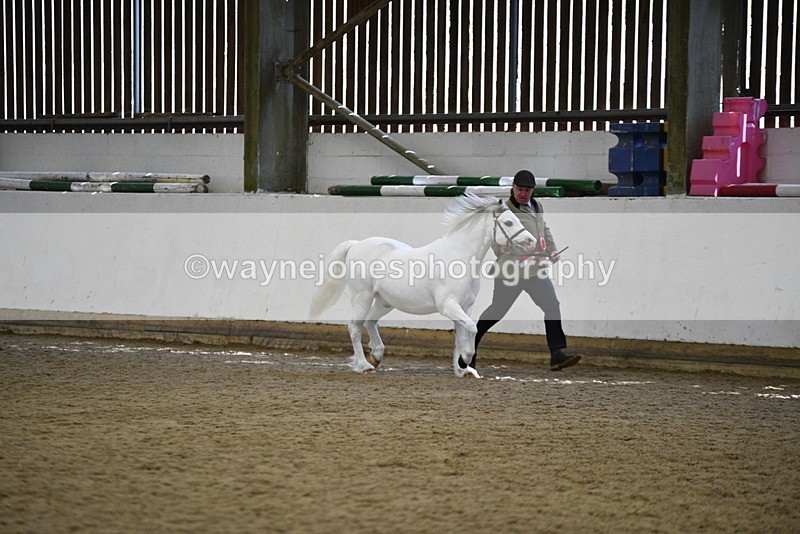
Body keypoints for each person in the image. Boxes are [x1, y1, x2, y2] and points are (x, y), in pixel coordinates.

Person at [471, 169, 581, 371]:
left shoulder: (537, 206)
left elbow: (544, 229)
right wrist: (501, 248)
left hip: (535, 270)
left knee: (552, 306)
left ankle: (557, 353)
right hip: (510, 271)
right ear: (513, 187)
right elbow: (493, 235)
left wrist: (552, 249)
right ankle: (469, 347)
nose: (523, 193)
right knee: (496, 312)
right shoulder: (503, 210)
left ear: (532, 190)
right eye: (520, 189)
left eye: (527, 190)